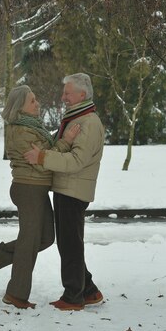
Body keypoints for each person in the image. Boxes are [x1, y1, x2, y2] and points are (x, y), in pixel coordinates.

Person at [0, 85, 79, 309]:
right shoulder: (21, 131)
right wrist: (67, 141)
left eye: (36, 99)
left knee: (45, 238)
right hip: (28, 189)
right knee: (28, 242)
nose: (37, 104)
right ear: (20, 107)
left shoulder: (31, 127)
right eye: (32, 101)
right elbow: (45, 162)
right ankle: (16, 294)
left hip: (36, 189)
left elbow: (46, 151)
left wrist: (60, 139)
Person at [24, 73, 104, 311]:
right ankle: (89, 290)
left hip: (73, 189)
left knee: (70, 245)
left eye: (67, 93)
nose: (63, 97)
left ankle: (73, 297)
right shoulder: (77, 119)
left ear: (82, 94)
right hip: (68, 187)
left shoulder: (87, 123)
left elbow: (76, 161)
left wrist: (42, 157)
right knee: (70, 243)